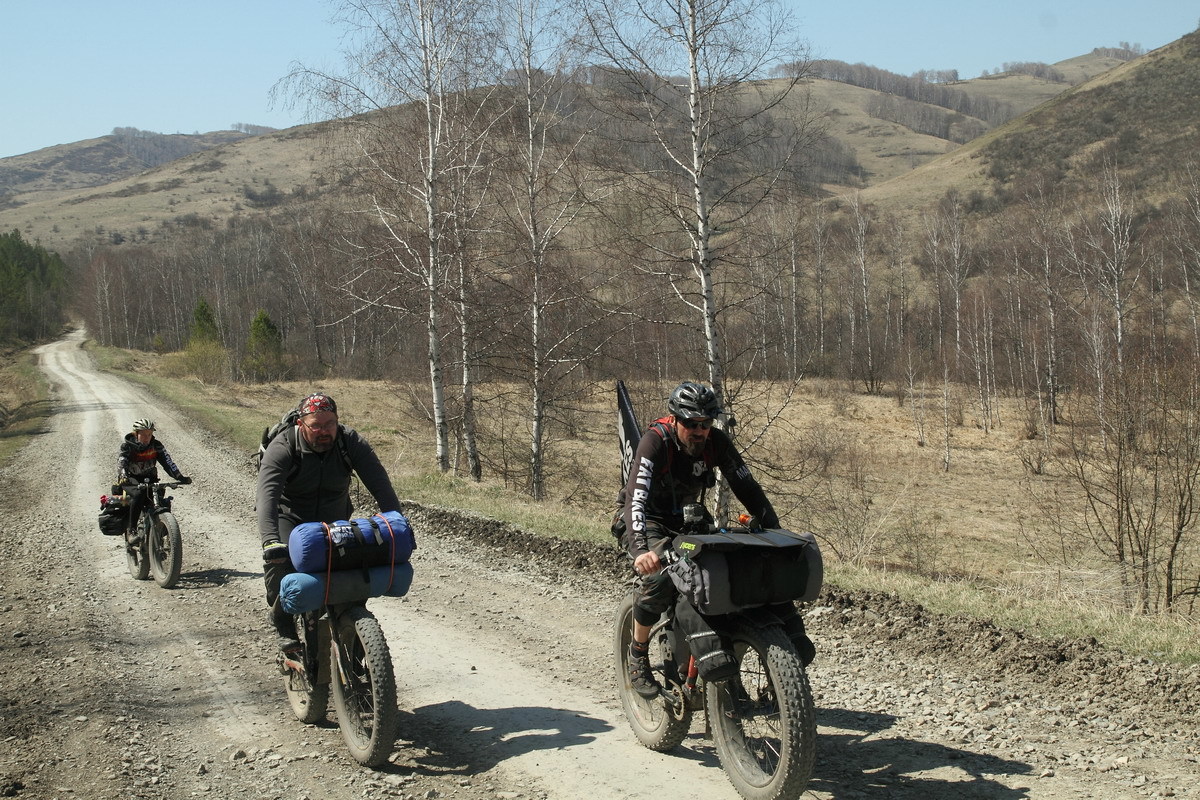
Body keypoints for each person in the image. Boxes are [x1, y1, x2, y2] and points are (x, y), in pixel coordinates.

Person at [614, 381, 814, 697]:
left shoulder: (716, 443)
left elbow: (747, 487)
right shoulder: (655, 442)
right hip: (646, 521)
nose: (699, 430)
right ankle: (637, 654)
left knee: (725, 570)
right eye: (692, 423)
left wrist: (774, 531)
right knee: (660, 579)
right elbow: (635, 500)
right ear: (675, 419)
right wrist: (641, 550)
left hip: (687, 520)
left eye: (706, 424)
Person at [256, 392, 402, 649]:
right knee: (285, 563)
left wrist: (397, 525)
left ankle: (355, 636)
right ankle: (282, 619)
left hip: (334, 517)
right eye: (316, 426)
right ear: (302, 424)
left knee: (352, 570)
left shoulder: (349, 441)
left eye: (329, 424)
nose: (324, 431)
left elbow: (380, 484)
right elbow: (267, 495)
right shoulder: (283, 446)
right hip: (290, 516)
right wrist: (270, 541)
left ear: (337, 421)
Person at [115, 418, 192, 537]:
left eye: (149, 434)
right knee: (139, 494)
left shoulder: (156, 446)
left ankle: (160, 532)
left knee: (160, 500)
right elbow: (122, 462)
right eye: (143, 434)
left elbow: (168, 462)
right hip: (131, 480)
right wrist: (123, 475)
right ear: (136, 434)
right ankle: (132, 530)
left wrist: (180, 477)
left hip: (150, 480)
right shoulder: (127, 446)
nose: (147, 437)